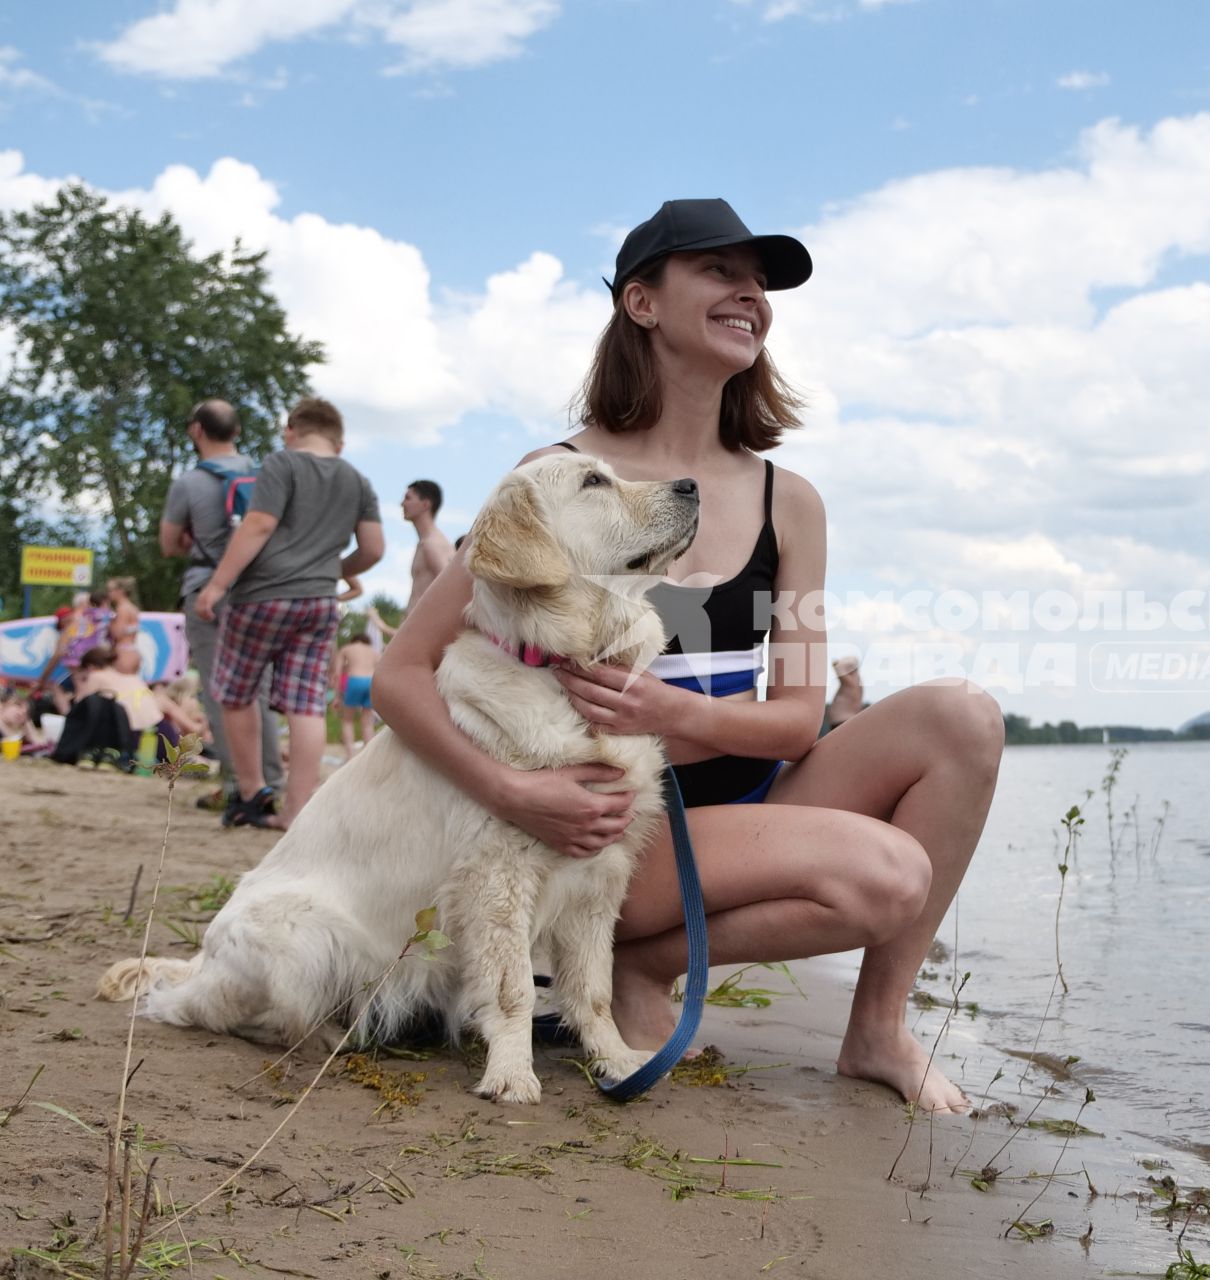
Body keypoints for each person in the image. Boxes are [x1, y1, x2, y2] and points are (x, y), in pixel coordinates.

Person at [374, 198, 1002, 1113]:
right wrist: (513, 793)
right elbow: (400, 675)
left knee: (963, 717)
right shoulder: (556, 476)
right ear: (641, 302)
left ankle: (875, 1030)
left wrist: (668, 713)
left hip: (741, 807)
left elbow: (795, 722)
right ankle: (631, 952)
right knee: (888, 875)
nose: (750, 291)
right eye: (719, 270)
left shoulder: (793, 502)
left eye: (760, 281)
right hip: (606, 833)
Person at [196, 396, 384, 829]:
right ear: (340, 443)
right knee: (306, 706)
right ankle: (296, 812)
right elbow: (374, 549)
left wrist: (218, 584)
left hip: (261, 596)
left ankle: (251, 791)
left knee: (237, 693)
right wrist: (332, 570)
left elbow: (258, 523)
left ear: (291, 431)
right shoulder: (357, 480)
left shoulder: (282, 464)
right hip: (318, 602)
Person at [159, 399, 286, 807]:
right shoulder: (265, 475)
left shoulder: (190, 483)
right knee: (259, 691)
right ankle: (273, 784)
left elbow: (168, 545)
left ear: (197, 430)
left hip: (207, 589)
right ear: (237, 431)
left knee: (222, 691)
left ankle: (240, 787)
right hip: (260, 590)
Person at [400, 479, 455, 613]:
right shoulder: (427, 543)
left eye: (408, 498)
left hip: (425, 628)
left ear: (425, 504)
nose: (402, 504)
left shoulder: (432, 544)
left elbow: (451, 589)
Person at [331, 631, 381, 759]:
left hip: (354, 680)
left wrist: (336, 696)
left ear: (354, 640)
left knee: (347, 720)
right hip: (371, 682)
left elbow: (337, 674)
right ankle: (369, 756)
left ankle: (350, 756)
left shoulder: (346, 649)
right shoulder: (374, 652)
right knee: (368, 722)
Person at [103, 577, 143, 674]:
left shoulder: (122, 609)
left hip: (123, 653)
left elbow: (117, 634)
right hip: (133, 651)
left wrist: (109, 624)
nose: (108, 594)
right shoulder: (133, 608)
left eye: (110, 590)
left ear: (120, 591)